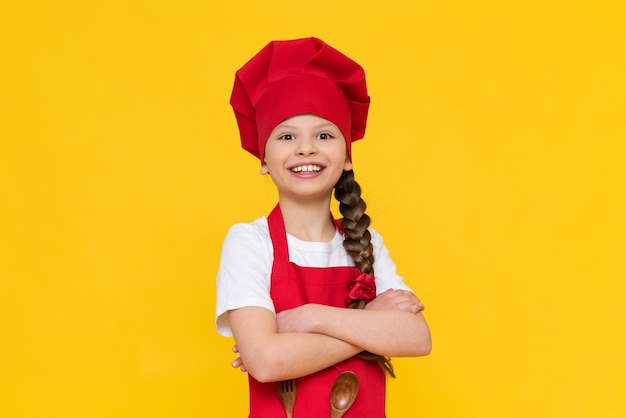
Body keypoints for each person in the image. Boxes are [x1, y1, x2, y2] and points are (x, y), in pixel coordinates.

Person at [215, 37, 431, 417]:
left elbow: (417, 337)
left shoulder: (366, 243)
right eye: (286, 136)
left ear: (347, 157)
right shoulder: (249, 242)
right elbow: (266, 362)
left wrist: (308, 318)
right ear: (264, 159)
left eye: (324, 135)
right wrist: (369, 323)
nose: (306, 149)